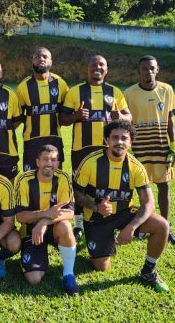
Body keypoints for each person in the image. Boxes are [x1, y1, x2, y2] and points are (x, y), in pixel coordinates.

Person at [73, 120, 170, 292]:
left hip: (124, 212)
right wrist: (96, 207)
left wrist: (131, 227)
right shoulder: (90, 162)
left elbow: (148, 203)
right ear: (106, 140)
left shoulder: (136, 167)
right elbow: (76, 193)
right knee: (101, 266)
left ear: (130, 142)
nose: (119, 142)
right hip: (96, 217)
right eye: (115, 137)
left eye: (124, 138)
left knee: (162, 225)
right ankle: (99, 240)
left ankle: (148, 271)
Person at [59, 54, 132, 241]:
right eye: (93, 64)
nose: (97, 67)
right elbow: (62, 119)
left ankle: (106, 219)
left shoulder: (115, 92)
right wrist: (76, 115)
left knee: (105, 185)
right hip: (81, 149)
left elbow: (128, 117)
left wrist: (120, 117)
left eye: (101, 65)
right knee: (79, 188)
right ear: (87, 69)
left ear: (106, 70)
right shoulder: (75, 92)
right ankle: (79, 224)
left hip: (107, 150)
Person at [124, 56, 175, 245]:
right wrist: (129, 148)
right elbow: (126, 124)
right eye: (144, 69)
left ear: (157, 70)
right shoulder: (129, 94)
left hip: (161, 147)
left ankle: (166, 227)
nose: (148, 72)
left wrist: (174, 146)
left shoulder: (167, 90)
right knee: (140, 190)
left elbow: (171, 120)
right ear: (138, 71)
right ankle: (144, 226)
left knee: (163, 187)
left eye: (152, 68)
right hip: (139, 149)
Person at [15, 144, 79, 296]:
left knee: (64, 225)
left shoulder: (63, 178)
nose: (49, 163)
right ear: (37, 162)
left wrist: (44, 221)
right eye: (45, 159)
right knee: (33, 279)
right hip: (31, 231)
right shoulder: (24, 180)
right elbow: (20, 216)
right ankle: (38, 256)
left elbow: (69, 213)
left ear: (58, 163)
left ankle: (68, 275)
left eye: (54, 160)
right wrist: (46, 213)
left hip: (54, 226)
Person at [16, 47, 69, 172]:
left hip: (54, 137)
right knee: (30, 177)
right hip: (32, 140)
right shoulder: (23, 87)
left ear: (51, 61)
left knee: (55, 176)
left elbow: (65, 112)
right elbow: (17, 115)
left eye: (45, 57)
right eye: (37, 57)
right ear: (32, 61)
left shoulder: (60, 83)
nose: (41, 59)